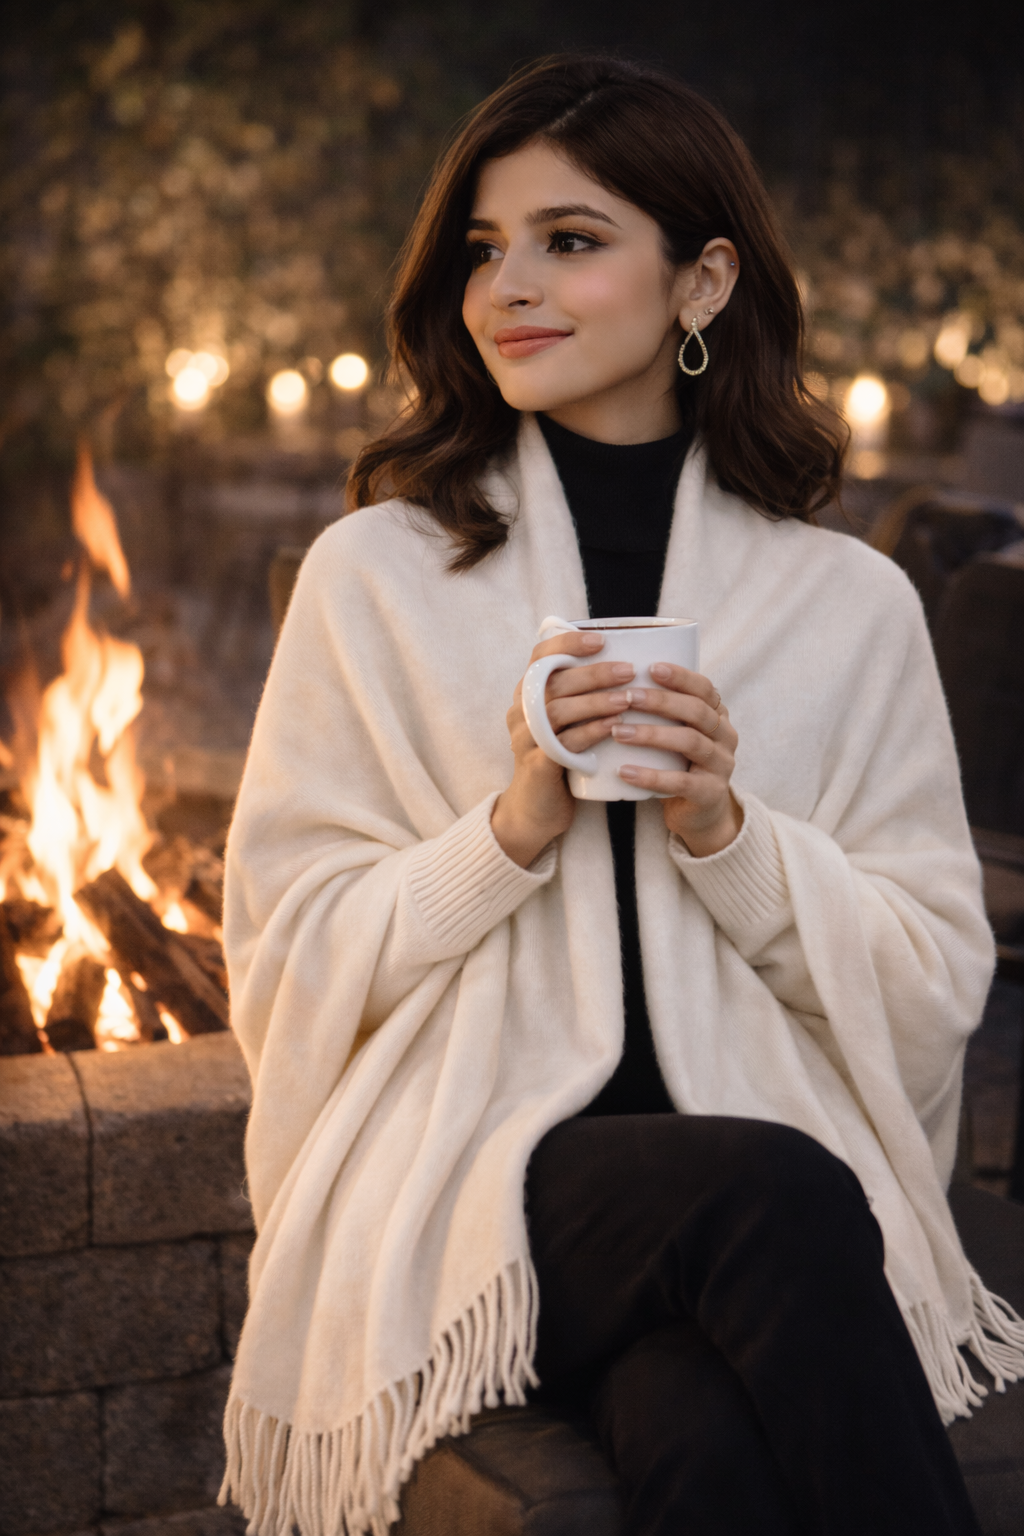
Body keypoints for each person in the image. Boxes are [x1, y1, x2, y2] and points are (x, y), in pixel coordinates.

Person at [220, 56, 1024, 1536]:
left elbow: (931, 979)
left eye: (570, 240)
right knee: (777, 1196)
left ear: (702, 281)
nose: (508, 287)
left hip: (736, 1210)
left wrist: (730, 835)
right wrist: (511, 828)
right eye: (485, 248)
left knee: (700, 1434)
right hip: (474, 1175)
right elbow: (288, 958)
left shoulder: (848, 606)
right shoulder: (376, 577)